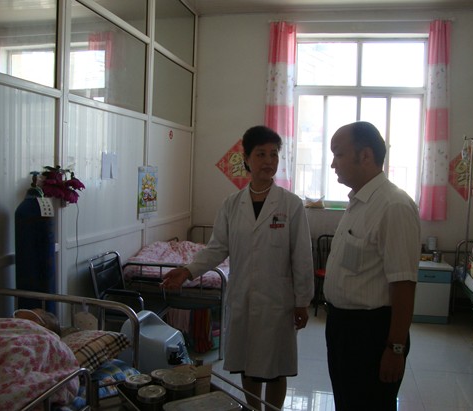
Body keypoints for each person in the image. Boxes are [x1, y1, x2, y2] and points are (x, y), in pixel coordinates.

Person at [161, 125, 314, 411]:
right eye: (261, 154)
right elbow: (217, 248)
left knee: (277, 366)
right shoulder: (232, 204)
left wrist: (302, 301)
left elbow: (302, 257)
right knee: (248, 364)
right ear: (246, 159)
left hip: (278, 300)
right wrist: (187, 271)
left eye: (274, 154)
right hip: (242, 296)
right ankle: (253, 408)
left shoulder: (291, 205)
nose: (268, 161)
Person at [323, 121, 421, 411]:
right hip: (342, 327)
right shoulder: (358, 203)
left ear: (365, 155)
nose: (333, 164)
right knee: (347, 403)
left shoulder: (393, 206)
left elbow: (403, 284)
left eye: (338, 154)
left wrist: (395, 348)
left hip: (370, 334)